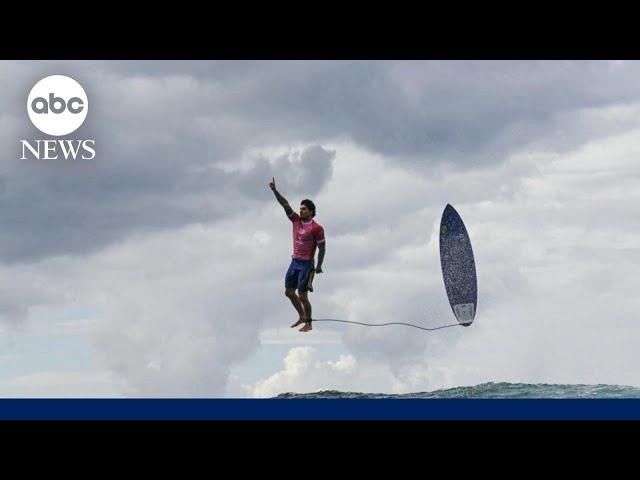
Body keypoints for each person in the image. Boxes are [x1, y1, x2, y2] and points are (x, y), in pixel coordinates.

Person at [269, 177, 325, 332]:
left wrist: (319, 266)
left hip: (307, 265)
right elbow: (285, 204)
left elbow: (322, 248)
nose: (301, 211)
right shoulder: (295, 220)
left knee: (302, 295)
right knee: (288, 292)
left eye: (304, 209)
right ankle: (301, 316)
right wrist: (275, 191)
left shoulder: (317, 228)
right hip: (295, 262)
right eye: (300, 208)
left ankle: (309, 323)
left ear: (312, 212)